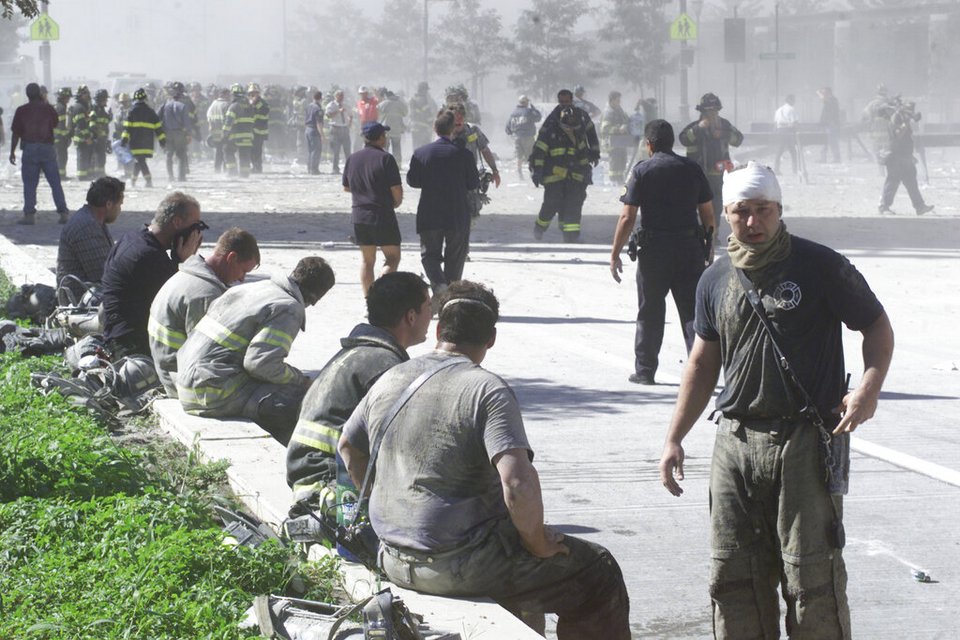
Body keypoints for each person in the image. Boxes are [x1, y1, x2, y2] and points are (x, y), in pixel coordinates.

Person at [658, 161, 894, 640]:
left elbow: (877, 326)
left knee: (812, 580)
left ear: (779, 210)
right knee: (733, 578)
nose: (753, 222)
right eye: (741, 211)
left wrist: (868, 388)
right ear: (726, 215)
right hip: (735, 440)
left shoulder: (820, 265)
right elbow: (702, 365)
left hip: (804, 440)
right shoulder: (714, 279)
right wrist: (674, 437)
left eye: (762, 210)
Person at [338, 280, 631, 640]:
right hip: (459, 564)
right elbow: (517, 484)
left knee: (517, 554)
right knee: (597, 571)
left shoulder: (392, 377)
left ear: (439, 330)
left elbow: (349, 447)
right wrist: (538, 542)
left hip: (394, 558)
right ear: (491, 338)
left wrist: (383, 505)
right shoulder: (486, 390)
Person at [286, 271, 432, 514]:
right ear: (411, 316)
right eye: (429, 306)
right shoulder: (386, 367)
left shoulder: (358, 352)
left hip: (307, 474)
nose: (432, 315)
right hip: (331, 487)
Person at [176, 256, 335, 445]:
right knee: (307, 402)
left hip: (187, 384)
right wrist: (302, 380)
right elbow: (260, 365)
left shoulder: (251, 288)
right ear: (316, 298)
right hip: (213, 393)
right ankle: (298, 462)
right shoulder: (288, 307)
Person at [609, 120, 714, 385]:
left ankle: (645, 371)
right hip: (690, 249)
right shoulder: (692, 169)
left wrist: (615, 253)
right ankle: (701, 371)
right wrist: (709, 246)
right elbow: (708, 213)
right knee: (693, 312)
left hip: (654, 251)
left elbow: (627, 217)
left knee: (650, 310)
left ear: (649, 144)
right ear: (672, 142)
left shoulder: (642, 171)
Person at [148, 228, 260, 397]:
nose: (242, 279)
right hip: (180, 382)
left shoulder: (188, 275)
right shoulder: (205, 295)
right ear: (232, 258)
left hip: (168, 370)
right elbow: (207, 355)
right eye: (243, 271)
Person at [100, 192, 204, 357]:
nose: (196, 234)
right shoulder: (148, 256)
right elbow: (179, 301)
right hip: (131, 346)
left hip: (120, 335)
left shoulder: (133, 239)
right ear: (177, 222)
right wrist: (184, 262)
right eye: (195, 227)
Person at [407, 111, 479, 299]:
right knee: (455, 257)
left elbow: (413, 181)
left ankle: (439, 285)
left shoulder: (421, 153)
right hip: (457, 213)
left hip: (429, 213)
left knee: (429, 255)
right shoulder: (464, 154)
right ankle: (450, 296)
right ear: (453, 129)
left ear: (434, 129)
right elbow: (473, 184)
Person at [343, 121, 403, 296]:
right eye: (384, 135)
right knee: (392, 258)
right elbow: (396, 190)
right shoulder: (386, 158)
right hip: (382, 213)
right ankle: (380, 294)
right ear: (380, 138)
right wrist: (396, 203)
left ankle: (368, 300)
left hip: (360, 215)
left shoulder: (352, 158)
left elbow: (346, 187)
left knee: (367, 261)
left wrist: (364, 191)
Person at [530, 99, 596, 243]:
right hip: (554, 176)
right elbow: (539, 153)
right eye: (567, 126)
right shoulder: (549, 132)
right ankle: (539, 228)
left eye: (573, 126)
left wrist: (586, 171)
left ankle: (571, 236)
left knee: (573, 205)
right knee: (551, 204)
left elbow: (583, 155)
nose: (569, 129)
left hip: (574, 177)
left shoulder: (578, 135)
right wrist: (537, 171)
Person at [7, 82, 69, 225]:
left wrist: (12, 152)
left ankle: (29, 215)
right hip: (47, 148)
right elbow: (54, 123)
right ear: (40, 94)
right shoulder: (48, 109)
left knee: (29, 183)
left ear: (27, 95)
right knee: (55, 182)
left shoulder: (21, 110)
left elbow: (16, 134)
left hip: (30, 149)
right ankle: (63, 213)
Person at [679, 92, 744, 227]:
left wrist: (724, 134)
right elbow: (683, 139)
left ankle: (713, 234)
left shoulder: (725, 125)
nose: (713, 113)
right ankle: (697, 233)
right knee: (696, 204)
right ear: (702, 111)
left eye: (715, 110)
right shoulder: (695, 126)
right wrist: (698, 128)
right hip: (697, 174)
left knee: (717, 205)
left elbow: (738, 139)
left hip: (718, 174)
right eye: (709, 110)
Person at [56, 176, 125, 298]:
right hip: (79, 302)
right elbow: (103, 275)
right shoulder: (86, 226)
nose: (120, 209)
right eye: (119, 204)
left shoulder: (93, 220)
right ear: (109, 204)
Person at [878, 100, 934, 216]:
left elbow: (908, 138)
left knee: (912, 183)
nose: (911, 112)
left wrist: (911, 155)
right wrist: (906, 122)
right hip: (895, 156)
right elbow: (898, 135)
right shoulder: (896, 118)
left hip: (905, 156)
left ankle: (920, 207)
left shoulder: (903, 118)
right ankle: (884, 206)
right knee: (892, 181)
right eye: (910, 110)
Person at [121, 88, 165, 188]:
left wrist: (124, 140)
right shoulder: (151, 112)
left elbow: (127, 128)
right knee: (140, 160)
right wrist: (162, 140)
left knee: (140, 160)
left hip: (136, 142)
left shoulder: (131, 111)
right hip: (147, 142)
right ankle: (133, 180)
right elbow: (158, 128)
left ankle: (148, 180)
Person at [158, 84, 191, 182]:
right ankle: (181, 177)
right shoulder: (183, 106)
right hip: (180, 133)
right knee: (181, 154)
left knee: (169, 155)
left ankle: (170, 176)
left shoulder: (165, 105)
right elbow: (187, 122)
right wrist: (188, 134)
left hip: (167, 133)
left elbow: (157, 117)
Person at [505, 95, 541, 180]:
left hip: (517, 137)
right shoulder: (528, 111)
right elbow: (538, 118)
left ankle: (519, 173)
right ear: (526, 102)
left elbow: (507, 128)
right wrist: (533, 109)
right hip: (528, 137)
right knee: (531, 156)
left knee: (519, 156)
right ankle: (532, 173)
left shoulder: (513, 113)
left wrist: (512, 134)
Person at [223, 84, 255, 178]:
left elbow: (228, 121)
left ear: (233, 94)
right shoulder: (249, 106)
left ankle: (232, 172)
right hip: (248, 136)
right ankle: (245, 174)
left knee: (227, 150)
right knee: (244, 155)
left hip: (236, 137)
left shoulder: (234, 106)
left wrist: (224, 133)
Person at [600, 90, 631, 185]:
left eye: (619, 100)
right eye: (617, 100)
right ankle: (614, 182)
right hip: (611, 143)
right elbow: (605, 128)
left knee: (622, 160)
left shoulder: (620, 111)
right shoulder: (608, 113)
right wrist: (618, 129)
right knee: (615, 162)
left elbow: (627, 120)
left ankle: (620, 180)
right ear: (612, 101)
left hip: (620, 142)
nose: (619, 103)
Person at [69, 85, 95, 181]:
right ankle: (82, 175)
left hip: (84, 137)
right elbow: (82, 125)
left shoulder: (83, 106)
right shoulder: (79, 108)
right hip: (81, 137)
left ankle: (85, 174)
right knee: (82, 156)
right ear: (81, 95)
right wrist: (87, 137)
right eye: (86, 94)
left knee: (86, 156)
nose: (88, 96)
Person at [377, 89, 408, 167]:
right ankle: (398, 165)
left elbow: (377, 112)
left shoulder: (383, 104)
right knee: (397, 149)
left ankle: (384, 164)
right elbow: (405, 113)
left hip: (386, 130)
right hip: (397, 129)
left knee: (385, 149)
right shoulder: (400, 104)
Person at [325, 89, 352, 174]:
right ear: (335, 96)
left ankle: (349, 169)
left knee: (347, 150)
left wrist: (349, 123)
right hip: (335, 129)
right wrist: (338, 111)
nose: (341, 97)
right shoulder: (331, 105)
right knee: (336, 151)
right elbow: (328, 115)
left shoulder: (346, 105)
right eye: (339, 95)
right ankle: (335, 169)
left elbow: (350, 115)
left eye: (342, 95)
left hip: (344, 129)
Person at [206, 88, 231, 173]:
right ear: (224, 95)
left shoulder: (213, 103)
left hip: (215, 133)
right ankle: (226, 170)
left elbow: (208, 116)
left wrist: (210, 126)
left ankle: (217, 169)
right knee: (226, 151)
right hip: (224, 132)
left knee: (218, 151)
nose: (230, 96)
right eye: (228, 94)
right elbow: (228, 119)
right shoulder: (226, 105)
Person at [89, 89, 113, 179]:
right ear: (100, 99)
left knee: (102, 157)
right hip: (97, 139)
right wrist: (97, 136)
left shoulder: (103, 110)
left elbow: (105, 123)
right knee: (96, 157)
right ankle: (96, 174)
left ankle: (101, 174)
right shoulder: (94, 110)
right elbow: (92, 125)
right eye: (105, 99)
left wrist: (110, 117)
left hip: (102, 138)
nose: (106, 101)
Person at [773, 94, 798, 175]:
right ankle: (795, 169)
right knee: (793, 152)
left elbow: (775, 122)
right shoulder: (791, 109)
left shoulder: (779, 110)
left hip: (779, 131)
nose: (794, 102)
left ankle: (776, 169)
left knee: (779, 151)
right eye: (793, 100)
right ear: (790, 100)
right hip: (788, 131)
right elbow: (794, 122)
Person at [408, 81, 437, 150]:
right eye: (426, 90)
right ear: (423, 90)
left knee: (416, 147)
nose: (427, 92)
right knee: (425, 148)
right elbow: (427, 114)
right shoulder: (422, 100)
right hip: (423, 128)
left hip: (414, 127)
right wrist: (432, 123)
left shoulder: (412, 99)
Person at [248, 83, 270, 174]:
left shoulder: (262, 103)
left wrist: (253, 105)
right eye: (251, 93)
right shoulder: (249, 102)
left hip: (259, 131)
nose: (253, 95)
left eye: (255, 93)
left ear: (258, 93)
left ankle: (257, 167)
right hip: (252, 131)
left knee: (257, 150)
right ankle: (255, 166)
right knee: (251, 150)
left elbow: (262, 114)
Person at [817, 87, 842, 163]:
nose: (823, 94)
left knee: (832, 141)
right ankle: (823, 158)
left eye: (824, 93)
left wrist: (819, 93)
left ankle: (837, 158)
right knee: (823, 141)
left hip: (831, 125)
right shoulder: (830, 100)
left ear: (828, 92)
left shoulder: (833, 100)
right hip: (826, 124)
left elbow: (824, 100)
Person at [53, 87, 72, 180]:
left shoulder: (57, 106)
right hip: (60, 138)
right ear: (63, 97)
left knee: (59, 157)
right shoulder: (61, 108)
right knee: (62, 157)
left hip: (56, 137)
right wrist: (67, 137)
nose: (68, 99)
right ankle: (61, 176)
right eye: (67, 97)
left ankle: (60, 175)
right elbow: (61, 125)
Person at [304, 90, 324, 175]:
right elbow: (318, 123)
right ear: (321, 98)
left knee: (310, 150)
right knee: (316, 150)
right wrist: (322, 135)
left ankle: (309, 168)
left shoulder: (309, 106)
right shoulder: (318, 108)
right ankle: (314, 169)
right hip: (314, 130)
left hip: (308, 129)